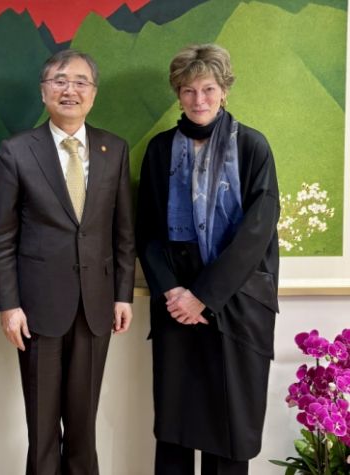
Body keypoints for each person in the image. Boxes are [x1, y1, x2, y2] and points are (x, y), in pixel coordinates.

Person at [136, 43, 280, 475]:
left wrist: (203, 295)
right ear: (178, 94)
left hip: (235, 302)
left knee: (230, 427)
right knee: (176, 428)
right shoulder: (160, 149)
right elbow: (147, 232)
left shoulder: (252, 146)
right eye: (188, 90)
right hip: (175, 306)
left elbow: (257, 231)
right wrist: (173, 292)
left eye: (208, 89)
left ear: (224, 91)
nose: (199, 99)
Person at [0, 49, 136, 474]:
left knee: (83, 427)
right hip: (37, 309)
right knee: (41, 428)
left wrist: (123, 294)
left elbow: (124, 232)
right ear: (44, 91)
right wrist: (8, 305)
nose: (69, 90)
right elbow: (3, 236)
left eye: (80, 82)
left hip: (96, 306)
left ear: (93, 93)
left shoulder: (114, 148)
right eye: (59, 81)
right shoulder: (17, 151)